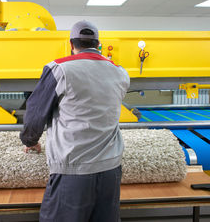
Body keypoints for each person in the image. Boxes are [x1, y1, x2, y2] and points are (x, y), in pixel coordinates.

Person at [20, 20, 130, 222]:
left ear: (71, 44)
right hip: (110, 170)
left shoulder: (59, 69)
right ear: (98, 44)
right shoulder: (120, 72)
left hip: (73, 172)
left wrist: (30, 140)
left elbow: (36, 111)